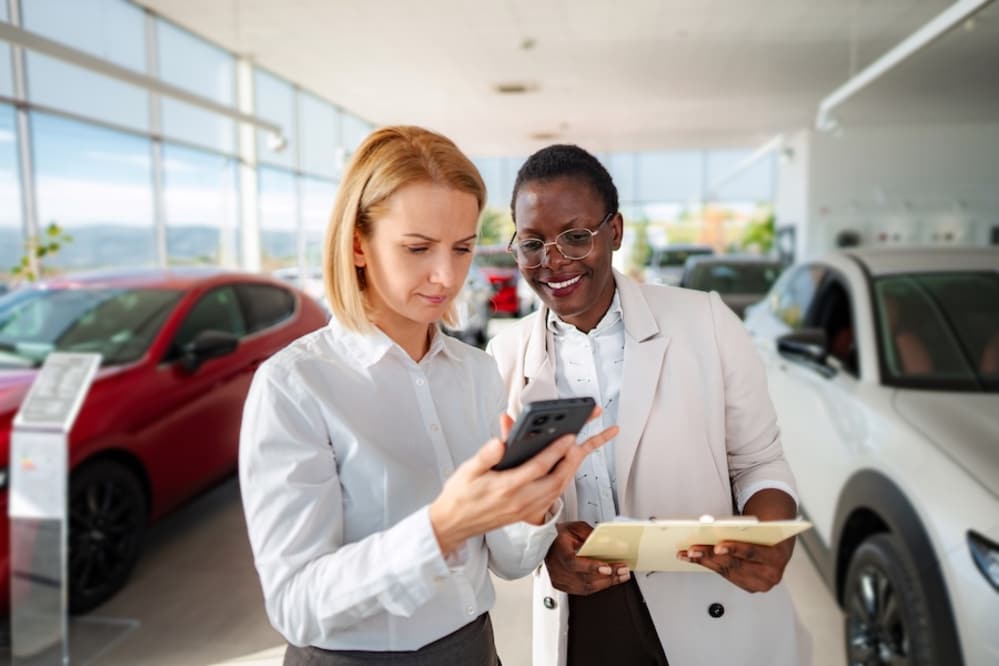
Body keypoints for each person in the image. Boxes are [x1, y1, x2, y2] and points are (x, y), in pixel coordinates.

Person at [239, 127, 617, 666]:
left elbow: (507, 564)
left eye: (463, 248)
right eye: (417, 248)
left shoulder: (476, 372)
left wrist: (531, 505)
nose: (446, 276)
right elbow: (297, 605)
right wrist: (441, 528)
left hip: (475, 649)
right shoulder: (296, 385)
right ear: (357, 245)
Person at [487, 144, 810, 666]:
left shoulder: (704, 322)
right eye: (532, 244)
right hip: (583, 619)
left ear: (614, 231)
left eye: (575, 236)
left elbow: (759, 462)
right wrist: (546, 551)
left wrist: (770, 540)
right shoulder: (503, 358)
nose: (555, 261)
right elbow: (503, 507)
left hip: (710, 606)